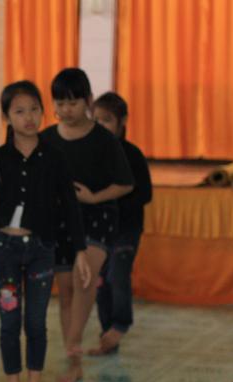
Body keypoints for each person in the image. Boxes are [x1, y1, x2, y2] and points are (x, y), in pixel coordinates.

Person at [0, 80, 90, 382]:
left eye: (34, 109)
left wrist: (80, 250)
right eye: (19, 111)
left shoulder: (55, 157)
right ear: (7, 117)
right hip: (4, 250)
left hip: (42, 250)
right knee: (9, 323)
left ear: (43, 111)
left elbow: (70, 206)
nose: (29, 117)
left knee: (36, 323)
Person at [40, 68, 133, 382]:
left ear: (88, 101)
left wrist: (94, 197)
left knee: (85, 277)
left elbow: (125, 184)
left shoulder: (104, 139)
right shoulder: (47, 139)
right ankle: (74, 362)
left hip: (97, 217)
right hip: (61, 221)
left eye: (73, 103)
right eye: (60, 103)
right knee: (66, 291)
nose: (66, 110)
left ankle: (72, 343)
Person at [91, 92, 152, 355]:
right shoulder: (93, 153)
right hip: (100, 231)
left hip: (126, 229)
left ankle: (120, 324)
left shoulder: (132, 154)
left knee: (117, 274)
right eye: (96, 120)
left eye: (106, 120)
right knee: (100, 283)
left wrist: (112, 202)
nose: (100, 125)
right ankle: (107, 335)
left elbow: (145, 194)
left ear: (122, 121)